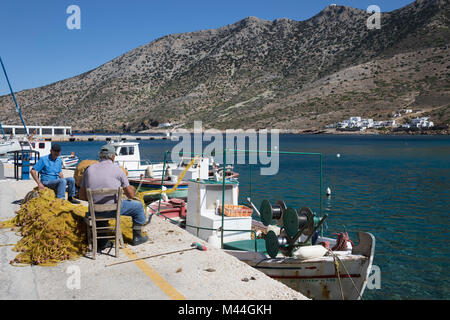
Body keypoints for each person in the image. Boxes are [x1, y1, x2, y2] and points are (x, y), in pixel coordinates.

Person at [78, 144, 148, 247]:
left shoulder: (89, 170)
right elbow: (131, 195)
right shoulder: (118, 170)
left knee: (99, 207)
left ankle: (102, 241)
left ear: (100, 156)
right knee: (138, 207)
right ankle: (137, 237)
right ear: (113, 156)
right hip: (113, 211)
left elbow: (82, 197)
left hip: (95, 212)